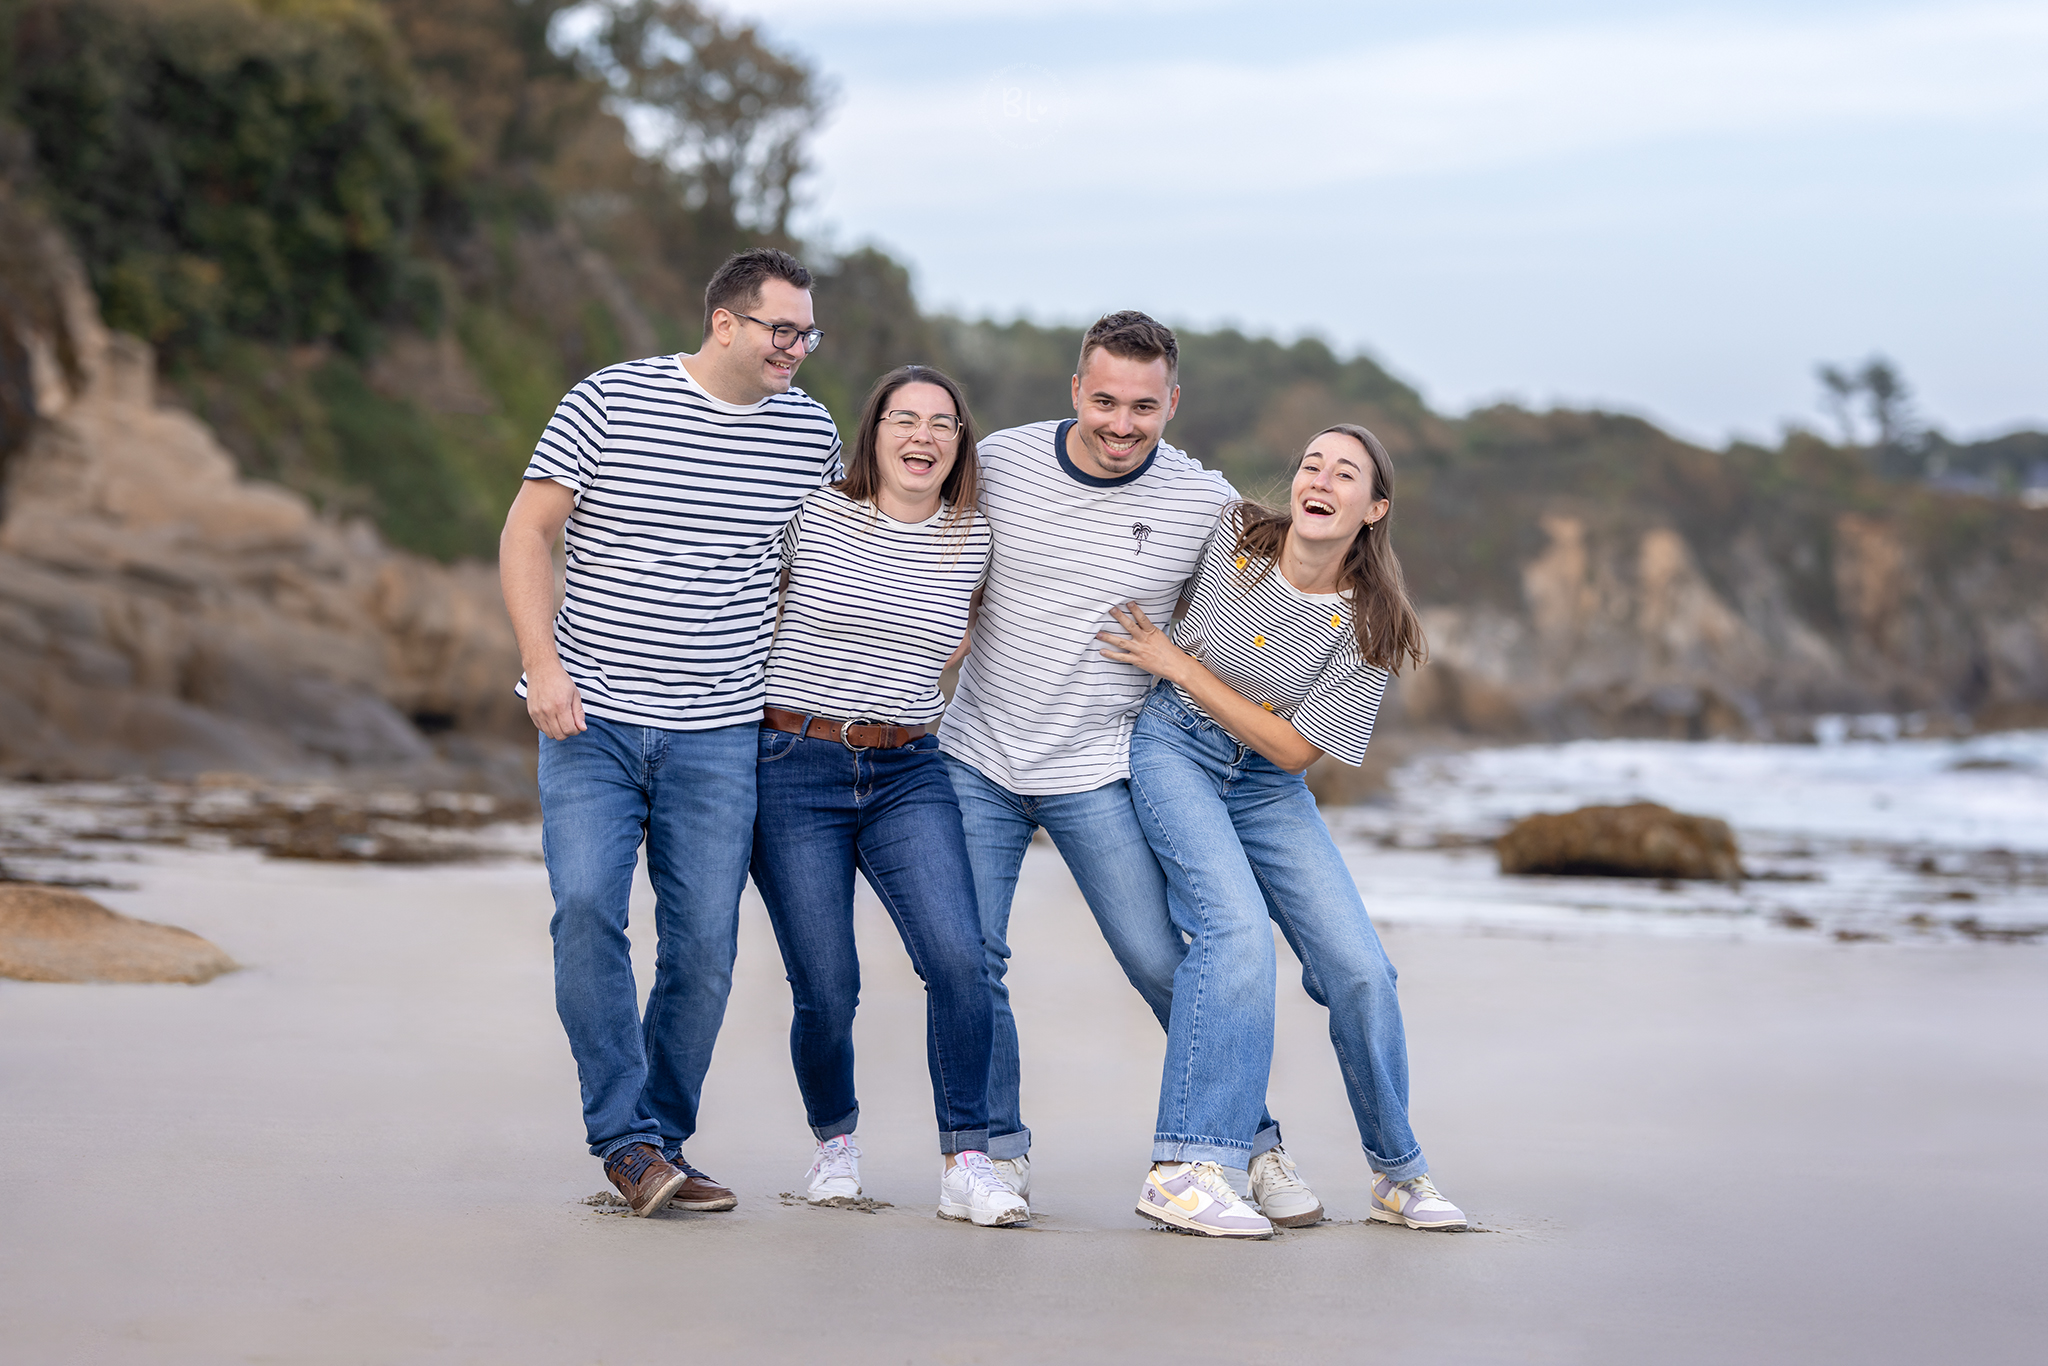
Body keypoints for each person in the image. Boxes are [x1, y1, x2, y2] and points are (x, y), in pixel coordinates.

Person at [938, 311, 1320, 1234]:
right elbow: (921, 547)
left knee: (1164, 959)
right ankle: (995, 1154)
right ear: (1076, 389)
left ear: (1172, 404)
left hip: (1098, 765)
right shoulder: (1000, 463)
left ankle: (1246, 1141)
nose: (1121, 422)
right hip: (976, 756)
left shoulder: (1203, 501)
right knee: (970, 960)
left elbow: (1299, 568)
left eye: (1143, 407)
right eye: (1104, 400)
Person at [499, 248, 841, 1217]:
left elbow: (813, 573)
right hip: (591, 719)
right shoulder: (608, 401)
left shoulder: (807, 433)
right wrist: (544, 664)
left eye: (807, 333)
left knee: (702, 949)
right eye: (783, 329)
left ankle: (661, 1141)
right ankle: (624, 1141)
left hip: (722, 734)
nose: (798, 349)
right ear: (724, 323)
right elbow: (527, 532)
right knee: (585, 913)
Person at [1098, 423, 1468, 1233]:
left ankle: (1398, 1174)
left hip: (1266, 788)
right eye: (1312, 464)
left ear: (1374, 508)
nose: (1322, 480)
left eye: (1346, 474)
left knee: (1363, 971)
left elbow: (1295, 751)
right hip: (1176, 752)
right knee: (1233, 930)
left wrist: (1181, 663)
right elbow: (1153, 483)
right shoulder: (1233, 534)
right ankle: (1191, 1166)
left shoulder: (1372, 622)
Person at [749, 364, 1028, 1228]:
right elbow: (730, 595)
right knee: (827, 986)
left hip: (911, 769)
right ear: (872, 433)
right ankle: (835, 1143)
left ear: (960, 444)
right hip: (794, 762)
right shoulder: (816, 513)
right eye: (904, 419)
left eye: (942, 423)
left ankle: (969, 1161)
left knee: (960, 958)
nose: (923, 436)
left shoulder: (978, 538)